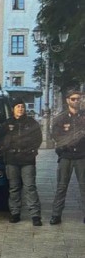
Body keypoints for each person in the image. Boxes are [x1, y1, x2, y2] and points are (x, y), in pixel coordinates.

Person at [0, 98, 43, 226]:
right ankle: (15, 213)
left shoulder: (31, 123)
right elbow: (0, 137)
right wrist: (6, 148)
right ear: (13, 109)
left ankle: (35, 215)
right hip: (12, 159)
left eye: (22, 107)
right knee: (14, 188)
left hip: (27, 159)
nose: (20, 109)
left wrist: (30, 151)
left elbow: (38, 139)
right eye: (18, 106)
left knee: (30, 187)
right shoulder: (7, 123)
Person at [49, 90, 85, 225]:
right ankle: (56, 215)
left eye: (78, 99)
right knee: (61, 187)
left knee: (84, 187)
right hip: (66, 156)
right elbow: (56, 136)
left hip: (82, 156)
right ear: (67, 100)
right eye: (74, 99)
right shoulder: (61, 118)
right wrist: (67, 143)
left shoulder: (84, 116)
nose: (76, 101)